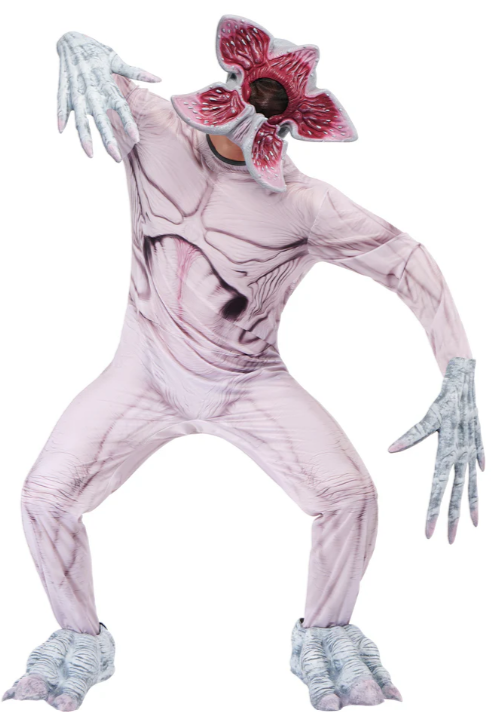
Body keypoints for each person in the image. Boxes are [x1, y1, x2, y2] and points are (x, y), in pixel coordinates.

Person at [3, 16, 484, 712]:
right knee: (44, 498)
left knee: (348, 498)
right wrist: (75, 44)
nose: (259, 109)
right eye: (255, 88)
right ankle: (79, 640)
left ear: (300, 120)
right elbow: (93, 60)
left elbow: (408, 262)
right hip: (141, 374)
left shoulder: (305, 206)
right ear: (228, 76)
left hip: (245, 380)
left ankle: (326, 634)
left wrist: (458, 369)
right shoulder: (155, 132)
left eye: (277, 103)